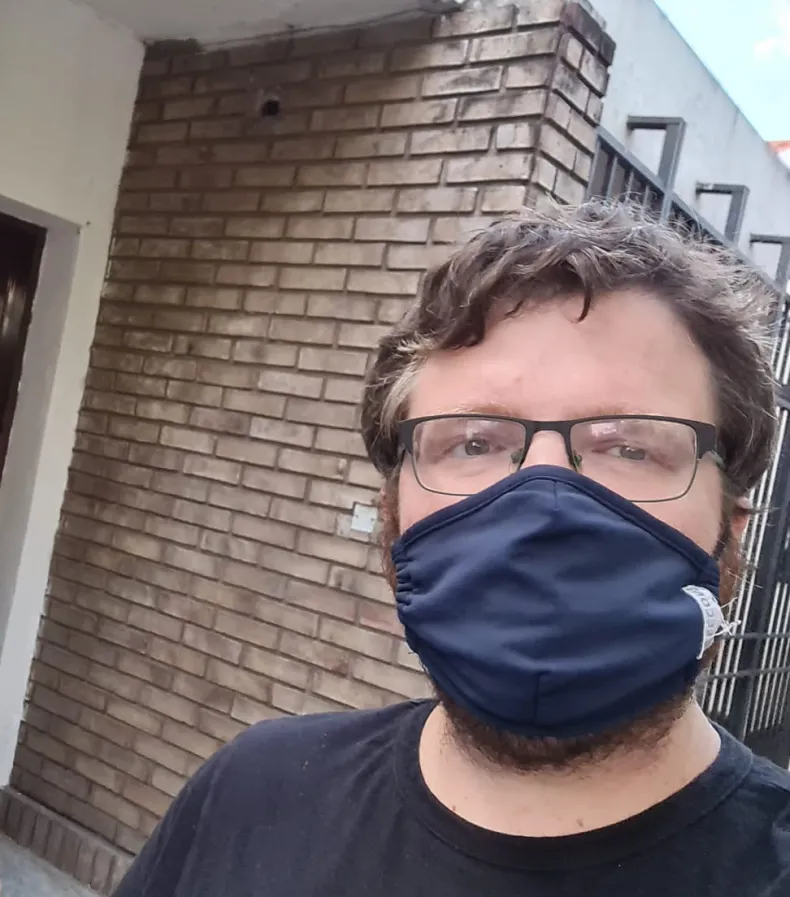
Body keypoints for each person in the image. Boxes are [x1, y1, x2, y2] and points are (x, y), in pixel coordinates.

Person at [114, 201, 790, 897]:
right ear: (392, 515)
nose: (544, 506)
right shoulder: (249, 794)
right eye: (473, 442)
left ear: (732, 527)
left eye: (630, 448)